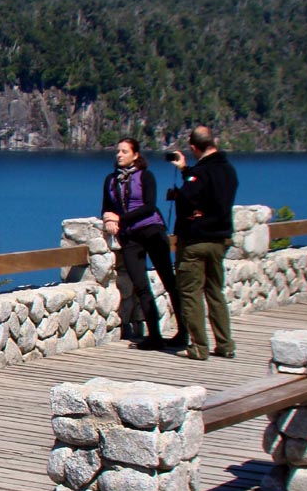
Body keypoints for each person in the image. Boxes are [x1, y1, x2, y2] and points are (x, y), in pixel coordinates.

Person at [101, 138, 186, 350]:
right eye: (118, 151)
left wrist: (120, 218)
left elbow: (149, 206)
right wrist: (108, 219)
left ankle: (183, 332)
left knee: (169, 281)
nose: (119, 155)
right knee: (140, 286)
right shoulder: (110, 180)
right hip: (130, 237)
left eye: (124, 151)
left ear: (135, 155)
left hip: (152, 231)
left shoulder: (146, 176)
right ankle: (154, 336)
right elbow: (106, 207)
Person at [167, 126, 239, 361]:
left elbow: (189, 196)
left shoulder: (201, 172)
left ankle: (199, 346)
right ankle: (225, 344)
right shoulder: (228, 170)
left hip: (195, 241)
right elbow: (209, 193)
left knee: (190, 292)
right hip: (220, 239)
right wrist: (186, 170)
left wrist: (181, 194)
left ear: (194, 147)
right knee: (215, 291)